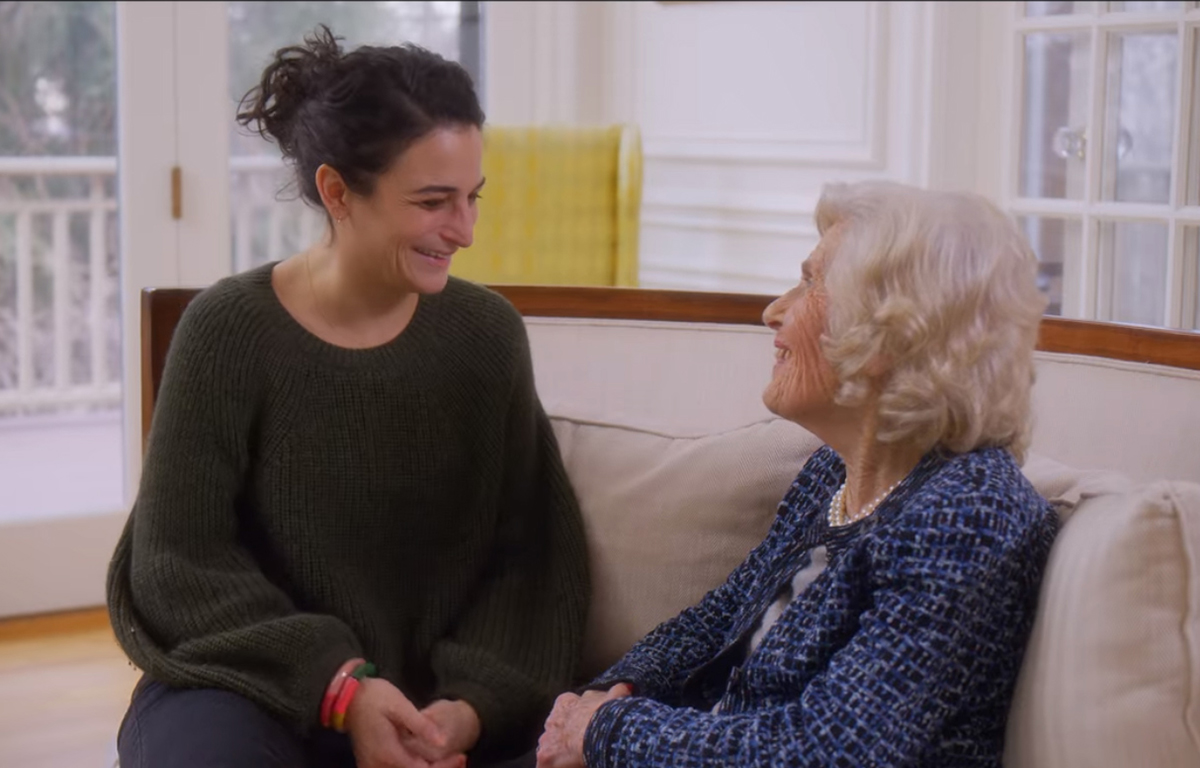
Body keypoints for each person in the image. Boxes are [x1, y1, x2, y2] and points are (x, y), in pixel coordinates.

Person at [107, 26, 589, 768]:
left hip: (432, 711)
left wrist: (466, 710)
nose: (463, 230)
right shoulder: (226, 331)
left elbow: (529, 564)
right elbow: (179, 560)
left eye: (472, 198)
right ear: (337, 191)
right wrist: (342, 688)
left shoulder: (487, 337)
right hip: (248, 690)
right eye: (433, 202)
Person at [533, 180, 1059, 768]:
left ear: (891, 332)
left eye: (810, 283)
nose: (774, 311)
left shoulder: (968, 516)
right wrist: (606, 694)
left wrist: (608, 729)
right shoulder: (834, 474)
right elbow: (718, 619)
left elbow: (826, 753)